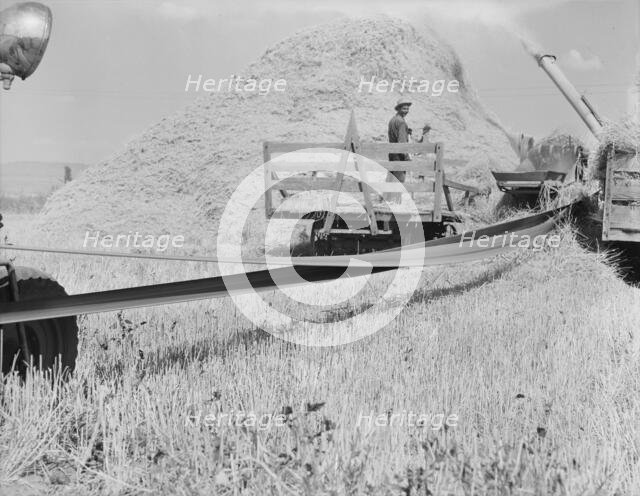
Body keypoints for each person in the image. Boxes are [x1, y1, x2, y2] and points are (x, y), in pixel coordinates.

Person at [386, 98, 431, 201]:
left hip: (392, 153)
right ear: (398, 109)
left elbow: (396, 136)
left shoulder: (392, 120)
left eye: (407, 108)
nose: (406, 110)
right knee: (399, 180)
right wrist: (406, 158)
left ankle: (388, 202)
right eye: (404, 108)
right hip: (399, 155)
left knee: (391, 179)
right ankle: (396, 204)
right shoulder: (401, 122)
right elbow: (402, 143)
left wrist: (406, 133)